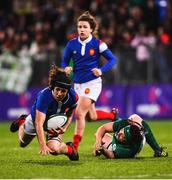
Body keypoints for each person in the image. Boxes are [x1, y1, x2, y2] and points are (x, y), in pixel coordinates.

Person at [61, 11, 118, 150]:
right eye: (79, 27)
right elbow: (64, 62)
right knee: (90, 117)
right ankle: (112, 115)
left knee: (79, 113)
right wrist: (66, 68)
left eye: (85, 27)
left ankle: (74, 147)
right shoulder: (71, 44)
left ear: (91, 29)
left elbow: (113, 59)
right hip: (78, 84)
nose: (81, 29)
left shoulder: (98, 44)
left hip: (92, 83)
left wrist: (101, 70)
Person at [10, 65, 79, 161]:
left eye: (63, 91)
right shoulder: (44, 97)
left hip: (53, 123)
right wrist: (42, 145)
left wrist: (64, 128)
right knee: (22, 143)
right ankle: (22, 122)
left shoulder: (73, 97)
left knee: (54, 150)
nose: (59, 93)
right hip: (36, 120)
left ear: (68, 91)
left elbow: (70, 114)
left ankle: (70, 150)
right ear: (53, 88)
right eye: (57, 90)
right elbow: (39, 124)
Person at [94, 114, 168, 159]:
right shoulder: (125, 123)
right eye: (122, 132)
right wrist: (98, 141)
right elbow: (103, 128)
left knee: (100, 140)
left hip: (137, 143)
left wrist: (102, 150)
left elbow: (111, 155)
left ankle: (158, 150)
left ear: (127, 142)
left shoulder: (128, 150)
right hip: (137, 131)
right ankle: (158, 149)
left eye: (124, 138)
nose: (120, 136)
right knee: (135, 117)